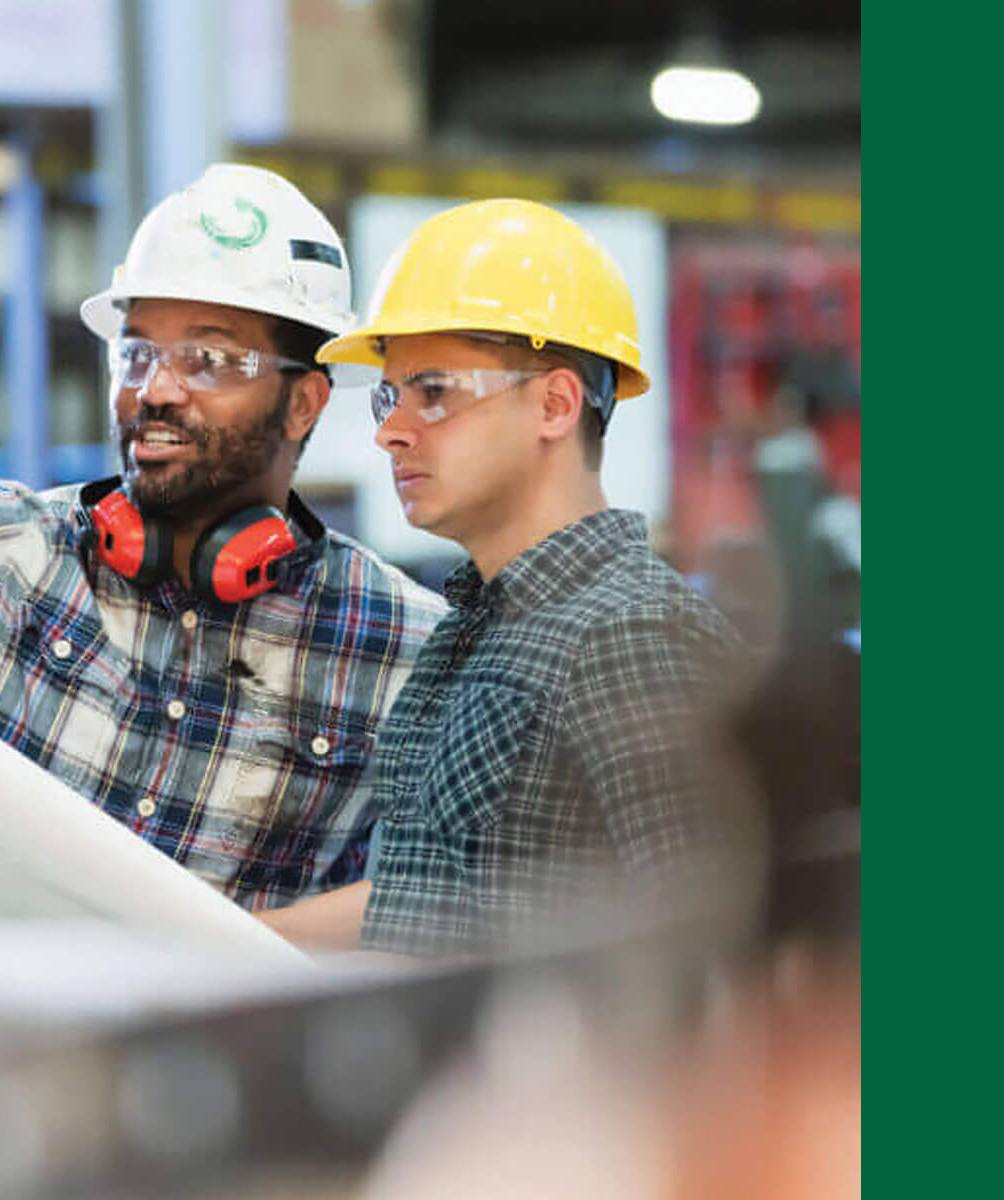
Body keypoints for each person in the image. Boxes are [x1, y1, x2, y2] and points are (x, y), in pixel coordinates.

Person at [0, 164, 447, 910]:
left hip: (225, 1027)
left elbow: (463, 894)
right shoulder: (14, 552)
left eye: (209, 360)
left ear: (304, 403)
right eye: (136, 353)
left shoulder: (404, 645)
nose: (154, 388)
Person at [254, 199, 756, 956]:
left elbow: (724, 946)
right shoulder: (476, 629)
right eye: (390, 396)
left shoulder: (632, 638)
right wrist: (212, 943)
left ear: (554, 404)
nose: (391, 429)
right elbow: (426, 899)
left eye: (434, 392)